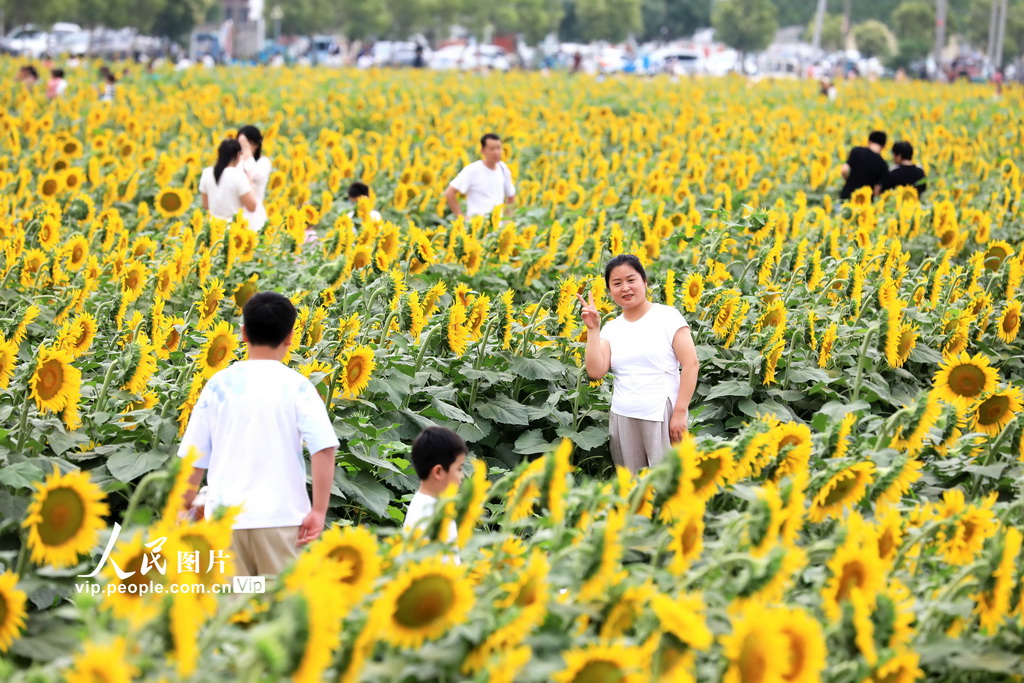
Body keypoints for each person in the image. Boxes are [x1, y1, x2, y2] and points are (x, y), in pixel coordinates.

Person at [179, 292, 339, 577]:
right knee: (278, 610)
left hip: (224, 523)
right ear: (290, 336)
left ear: (242, 333)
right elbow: (324, 447)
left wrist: (182, 508)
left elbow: (194, 457)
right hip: (282, 521)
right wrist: (318, 511)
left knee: (231, 612)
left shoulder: (218, 385)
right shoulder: (298, 387)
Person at [578, 255, 699, 474]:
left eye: (631, 280)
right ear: (609, 290)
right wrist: (593, 330)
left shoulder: (667, 317)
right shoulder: (612, 329)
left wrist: (680, 412)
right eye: (617, 283)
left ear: (644, 282)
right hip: (623, 416)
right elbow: (595, 371)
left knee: (668, 484)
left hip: (661, 414)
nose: (625, 288)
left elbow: (691, 364)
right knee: (633, 488)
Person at [403, 426, 467, 561]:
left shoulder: (433, 505)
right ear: (438, 472)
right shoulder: (427, 515)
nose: (462, 476)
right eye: (459, 469)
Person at [444, 133, 516, 219]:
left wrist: (507, 219)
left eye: (498, 148)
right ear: (482, 150)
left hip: (497, 229)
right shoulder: (472, 170)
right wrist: (462, 217)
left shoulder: (503, 168)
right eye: (492, 149)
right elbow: (449, 193)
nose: (496, 152)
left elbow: (511, 195)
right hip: (477, 227)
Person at [199, 138, 259, 227]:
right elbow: (252, 206)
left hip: (213, 229)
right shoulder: (238, 175)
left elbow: (205, 205)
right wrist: (249, 182)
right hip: (233, 229)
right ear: (238, 155)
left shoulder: (207, 173)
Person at [237, 125, 272, 231]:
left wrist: (247, 154)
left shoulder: (263, 162)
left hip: (254, 214)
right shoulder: (236, 162)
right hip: (235, 213)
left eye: (245, 143)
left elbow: (255, 175)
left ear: (255, 144)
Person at [839, 131, 888, 201]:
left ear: (869, 141)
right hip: (865, 202)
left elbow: (844, 170)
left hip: (848, 194)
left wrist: (849, 182)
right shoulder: (883, 164)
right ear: (883, 146)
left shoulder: (857, 151)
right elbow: (876, 190)